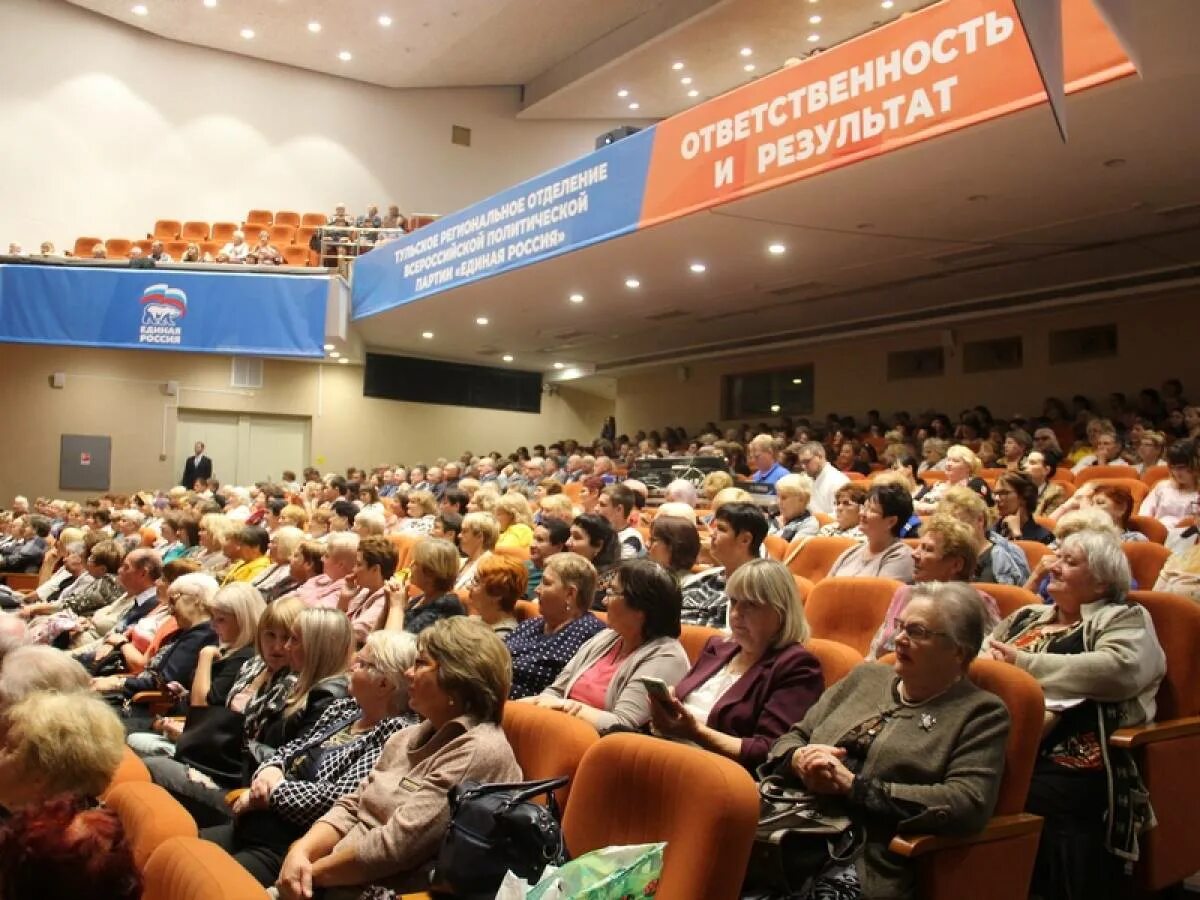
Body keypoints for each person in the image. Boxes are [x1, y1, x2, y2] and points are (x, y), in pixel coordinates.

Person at [759, 581, 1010, 899]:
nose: (899, 639)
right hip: (787, 823)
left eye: (917, 632)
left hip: (862, 854)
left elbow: (966, 802)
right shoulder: (866, 677)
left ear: (958, 650)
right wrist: (798, 758)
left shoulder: (981, 714)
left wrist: (855, 787)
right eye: (900, 627)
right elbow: (792, 736)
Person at [274, 618, 521, 898]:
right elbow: (351, 806)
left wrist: (307, 875)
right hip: (330, 876)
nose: (408, 673)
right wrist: (301, 852)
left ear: (457, 679)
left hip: (381, 889)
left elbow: (395, 848)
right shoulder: (405, 736)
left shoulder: (479, 751)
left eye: (421, 663)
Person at [987, 530, 1165, 900]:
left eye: (1070, 561)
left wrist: (1024, 664)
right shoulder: (1028, 616)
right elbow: (983, 658)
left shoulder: (1123, 617)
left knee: (1033, 795)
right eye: (1057, 557)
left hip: (1076, 752)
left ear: (1101, 581)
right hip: (1000, 736)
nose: (1054, 565)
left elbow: (1120, 669)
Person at [204, 631, 420, 887]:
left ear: (384, 684)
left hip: (291, 845)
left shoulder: (395, 735)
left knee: (202, 882)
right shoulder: (346, 709)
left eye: (362, 663)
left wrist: (269, 794)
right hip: (253, 824)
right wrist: (270, 769)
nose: (351, 665)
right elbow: (290, 749)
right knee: (177, 853)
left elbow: (336, 797)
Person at [147, 605, 352, 827]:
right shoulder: (291, 680)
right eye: (271, 635)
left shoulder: (327, 698)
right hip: (234, 771)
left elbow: (293, 766)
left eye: (293, 639)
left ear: (316, 647)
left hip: (247, 793)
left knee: (153, 766)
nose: (284, 647)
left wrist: (226, 744)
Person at [650, 559, 823, 772]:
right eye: (733, 602)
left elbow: (772, 750)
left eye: (750, 605)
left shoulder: (797, 667)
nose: (735, 614)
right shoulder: (717, 647)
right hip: (670, 751)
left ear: (781, 612)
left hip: (720, 773)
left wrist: (695, 732)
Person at [528, 558, 688, 733]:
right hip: (561, 730)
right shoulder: (606, 637)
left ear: (640, 608)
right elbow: (555, 692)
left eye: (612, 592)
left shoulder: (667, 657)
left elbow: (623, 724)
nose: (604, 601)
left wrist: (566, 707)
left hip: (602, 747)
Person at [868, 515, 1003, 658]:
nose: (914, 554)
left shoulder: (977, 604)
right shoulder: (904, 593)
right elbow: (875, 651)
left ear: (956, 565)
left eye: (928, 549)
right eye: (919, 546)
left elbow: (985, 659)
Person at [683, 501, 769, 628]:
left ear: (745, 540)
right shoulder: (698, 580)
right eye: (715, 527)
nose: (712, 534)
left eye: (721, 529)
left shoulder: (760, 591)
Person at [938, 485, 1030, 586]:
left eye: (960, 524)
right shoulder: (944, 552)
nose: (953, 531)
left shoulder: (998, 557)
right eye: (948, 526)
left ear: (980, 520)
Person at [826, 482, 915, 581]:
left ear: (891, 521)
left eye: (872, 510)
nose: (862, 513)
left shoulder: (900, 557)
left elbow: (878, 595)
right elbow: (825, 588)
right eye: (864, 507)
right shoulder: (851, 552)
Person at [381, 538, 465, 635]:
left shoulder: (445, 609)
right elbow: (374, 637)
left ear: (430, 572)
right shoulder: (422, 598)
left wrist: (396, 606)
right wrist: (388, 604)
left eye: (416, 563)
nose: (410, 565)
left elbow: (390, 647)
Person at [337, 536, 396, 645]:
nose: (353, 570)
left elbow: (354, 633)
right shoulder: (364, 590)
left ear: (375, 569)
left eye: (359, 564)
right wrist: (344, 599)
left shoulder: (386, 598)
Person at [914, 444, 992, 512]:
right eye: (948, 460)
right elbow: (913, 502)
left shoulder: (975, 484)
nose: (948, 464)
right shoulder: (937, 484)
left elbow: (960, 509)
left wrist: (924, 507)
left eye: (955, 461)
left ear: (968, 467)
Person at [1139, 439, 1198, 527]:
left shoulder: (1197, 494)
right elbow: (1143, 516)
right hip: (1156, 534)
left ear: (1195, 465)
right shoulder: (1162, 487)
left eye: (1181, 468)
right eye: (1173, 468)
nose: (1176, 473)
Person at [566, 513, 620, 607]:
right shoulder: (568, 571)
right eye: (570, 536)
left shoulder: (610, 584)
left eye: (577, 537)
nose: (567, 543)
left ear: (598, 545)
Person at [466, 554, 526, 636]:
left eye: (476, 582)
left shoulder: (501, 637)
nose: (468, 587)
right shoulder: (476, 620)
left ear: (497, 593)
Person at [993, 471, 1054, 544]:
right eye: (995, 493)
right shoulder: (990, 532)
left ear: (1024, 496)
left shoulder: (1044, 537)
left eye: (1003, 493)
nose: (996, 498)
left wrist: (1017, 535)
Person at [795, 442, 849, 516]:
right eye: (802, 463)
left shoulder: (838, 481)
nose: (803, 466)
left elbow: (840, 515)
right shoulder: (806, 478)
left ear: (820, 457)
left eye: (807, 461)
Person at [453, 511, 497, 592]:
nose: (459, 535)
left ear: (480, 536)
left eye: (464, 531)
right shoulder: (461, 562)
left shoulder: (489, 567)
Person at [597, 484, 644, 559]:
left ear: (619, 509)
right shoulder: (600, 531)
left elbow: (618, 568)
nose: (596, 508)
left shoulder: (632, 538)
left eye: (602, 505)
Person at [525, 518, 568, 600]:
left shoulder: (562, 578)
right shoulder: (522, 567)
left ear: (559, 546)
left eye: (540, 540)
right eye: (533, 538)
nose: (532, 545)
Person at [772, 473, 819, 541]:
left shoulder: (809, 525)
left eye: (784, 498)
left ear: (802, 499)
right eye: (778, 496)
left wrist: (781, 529)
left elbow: (789, 550)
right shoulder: (775, 518)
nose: (778, 502)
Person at [1027, 451, 1069, 517]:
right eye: (1025, 462)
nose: (1024, 466)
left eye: (1032, 463)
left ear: (1046, 470)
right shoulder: (1017, 488)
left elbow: (1044, 523)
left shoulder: (1056, 493)